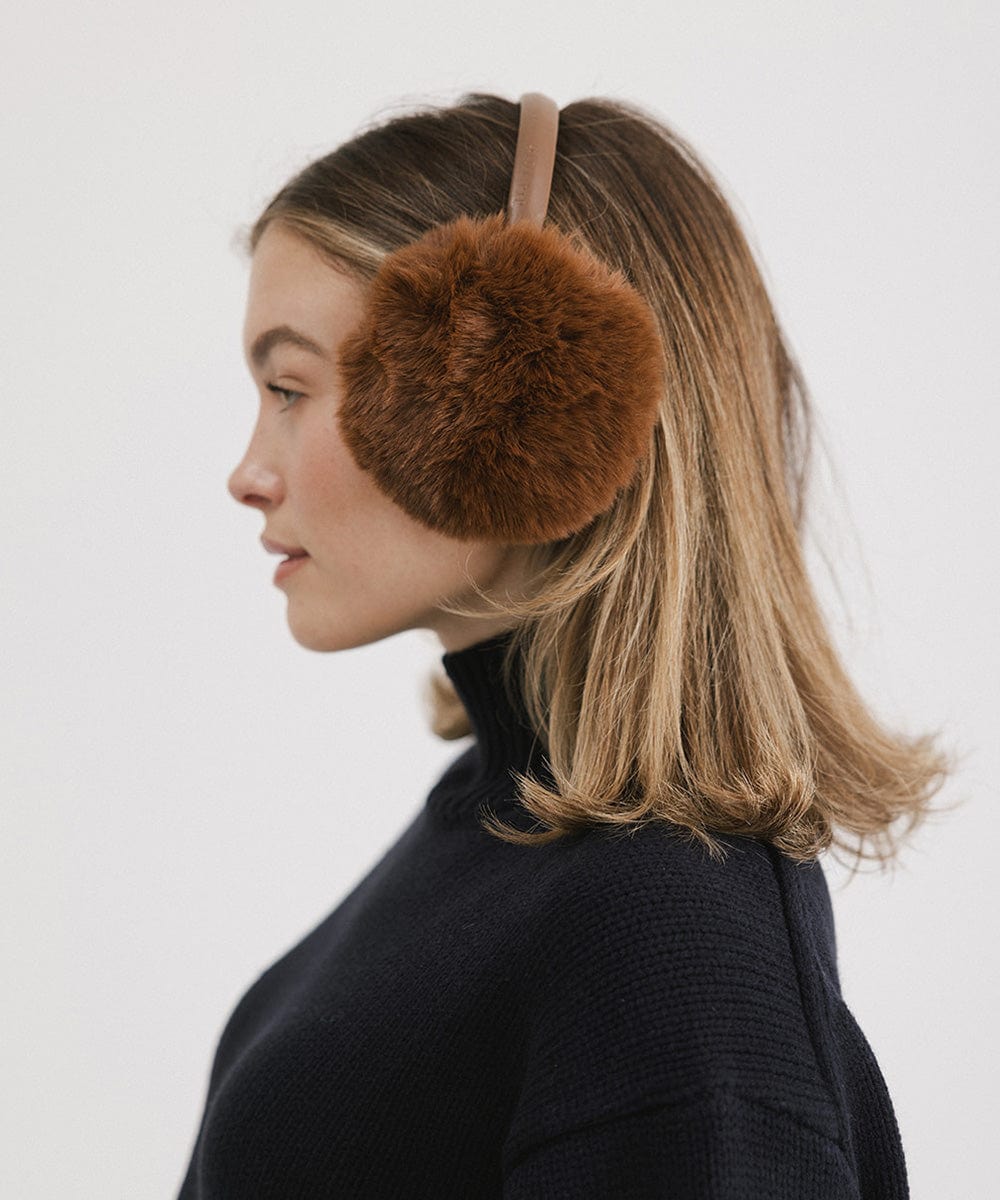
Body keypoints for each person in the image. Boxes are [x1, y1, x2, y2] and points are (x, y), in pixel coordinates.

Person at [176, 91, 955, 1198]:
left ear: (509, 399)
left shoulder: (667, 935)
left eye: (290, 388)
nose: (248, 472)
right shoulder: (500, 828)